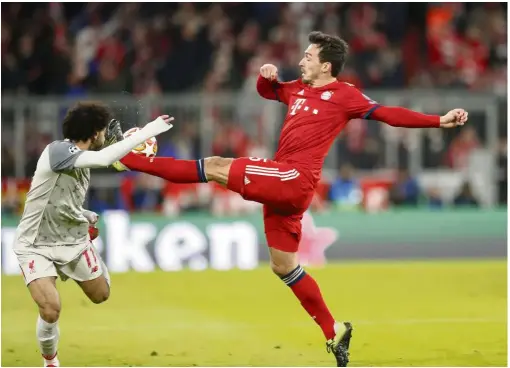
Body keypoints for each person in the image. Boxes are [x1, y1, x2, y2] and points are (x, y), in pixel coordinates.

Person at [113, 31, 468, 367]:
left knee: (217, 166)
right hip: (284, 187)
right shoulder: (298, 89)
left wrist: (439, 121)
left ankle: (128, 158)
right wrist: (266, 78)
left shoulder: (346, 95)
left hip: (294, 178)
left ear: (326, 65)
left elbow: (390, 115)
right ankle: (334, 330)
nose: (301, 60)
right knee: (283, 265)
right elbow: (269, 92)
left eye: (308, 56)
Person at [13, 101, 173, 367]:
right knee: (51, 308)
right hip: (35, 244)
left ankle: (88, 251)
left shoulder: (78, 159)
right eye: (102, 131)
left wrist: (83, 214)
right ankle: (50, 360)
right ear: (94, 133)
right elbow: (104, 158)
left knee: (101, 295)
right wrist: (148, 131)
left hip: (73, 241)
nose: (104, 136)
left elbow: (62, 196)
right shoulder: (58, 151)